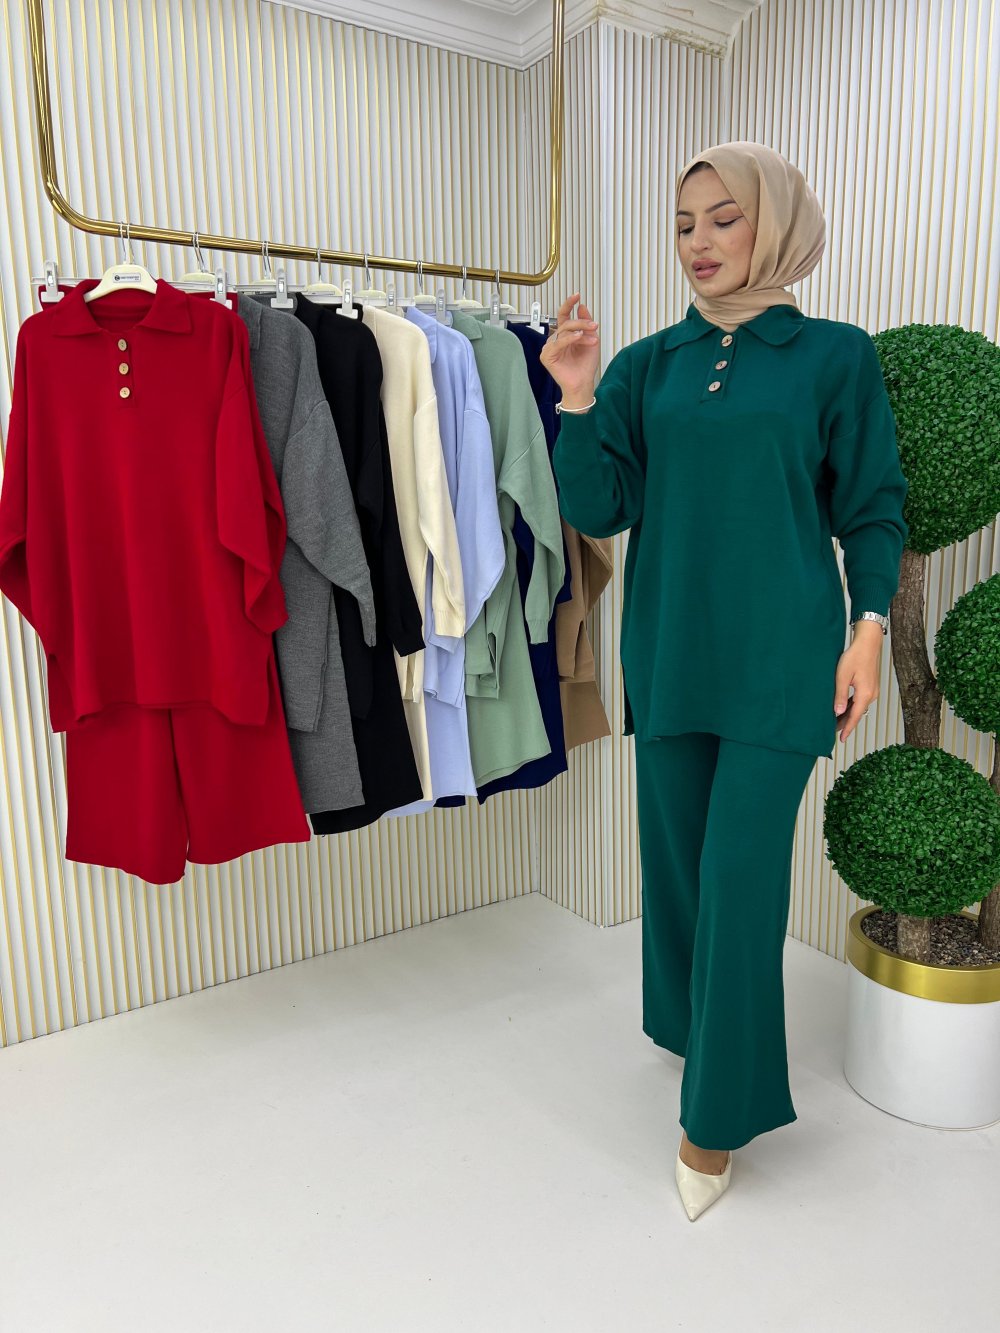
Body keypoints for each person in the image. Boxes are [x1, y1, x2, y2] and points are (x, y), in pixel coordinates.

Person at [541, 141, 909, 1221]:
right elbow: (599, 506)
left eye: (722, 218)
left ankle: (714, 1119)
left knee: (741, 883)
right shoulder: (648, 364)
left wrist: (869, 627)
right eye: (683, 223)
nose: (697, 242)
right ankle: (688, 1027)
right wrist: (575, 398)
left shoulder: (834, 356)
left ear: (775, 225)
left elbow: (871, 506)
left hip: (783, 662)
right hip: (670, 653)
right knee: (676, 872)